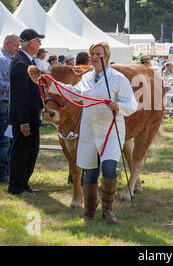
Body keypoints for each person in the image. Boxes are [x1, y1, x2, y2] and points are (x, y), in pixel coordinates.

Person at [49, 42, 137, 223]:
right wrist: (54, 85)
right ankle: (89, 211)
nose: (94, 57)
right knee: (89, 172)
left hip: (110, 130)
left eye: (98, 54)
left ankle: (108, 210)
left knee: (109, 167)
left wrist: (118, 106)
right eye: (92, 54)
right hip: (89, 130)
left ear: (107, 57)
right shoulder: (87, 78)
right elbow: (74, 93)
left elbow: (132, 104)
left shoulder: (118, 79)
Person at [8, 29, 44, 196]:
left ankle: (24, 183)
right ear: (31, 42)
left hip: (32, 115)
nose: (39, 44)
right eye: (38, 41)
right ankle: (16, 186)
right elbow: (20, 97)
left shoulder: (28, 61)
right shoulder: (21, 63)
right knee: (21, 152)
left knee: (31, 151)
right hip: (25, 117)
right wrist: (23, 122)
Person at [0, 34, 21, 184]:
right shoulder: (0, 60)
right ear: (6, 43)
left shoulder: (9, 58)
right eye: (15, 45)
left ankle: (7, 170)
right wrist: (15, 87)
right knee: (4, 140)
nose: (17, 48)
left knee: (10, 138)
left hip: (9, 103)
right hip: (2, 103)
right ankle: (2, 173)